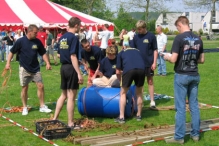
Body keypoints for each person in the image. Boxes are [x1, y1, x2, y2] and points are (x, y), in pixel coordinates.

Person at [164, 16, 205, 144]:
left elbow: (174, 59)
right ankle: (195, 135)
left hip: (182, 75)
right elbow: (202, 60)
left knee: (180, 107)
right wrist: (191, 59)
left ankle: (179, 137)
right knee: (194, 106)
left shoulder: (179, 38)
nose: (177, 30)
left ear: (181, 24)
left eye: (177, 27)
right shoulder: (198, 39)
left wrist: (166, 57)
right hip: (194, 74)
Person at [5, 24, 52, 116]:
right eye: (35, 32)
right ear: (29, 32)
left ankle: (42, 106)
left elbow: (43, 53)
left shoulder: (37, 42)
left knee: (40, 86)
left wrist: (47, 63)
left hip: (35, 68)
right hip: (24, 68)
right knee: (25, 88)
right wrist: (8, 63)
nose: (37, 34)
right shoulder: (20, 41)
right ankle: (25, 107)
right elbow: (12, 52)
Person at [53, 17, 83, 128]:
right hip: (71, 68)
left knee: (63, 94)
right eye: (79, 25)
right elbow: (73, 56)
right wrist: (79, 73)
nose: (80, 27)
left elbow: (59, 54)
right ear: (76, 25)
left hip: (63, 68)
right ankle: (70, 123)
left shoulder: (62, 37)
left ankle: (55, 118)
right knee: (71, 96)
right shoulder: (73, 38)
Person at [115, 44, 145, 124]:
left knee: (123, 93)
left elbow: (118, 71)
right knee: (139, 93)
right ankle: (139, 115)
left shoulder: (121, 52)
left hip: (129, 70)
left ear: (124, 47)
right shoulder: (138, 51)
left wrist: (120, 81)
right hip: (141, 69)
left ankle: (121, 117)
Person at [131, 20, 158, 108]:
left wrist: (154, 62)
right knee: (140, 83)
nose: (138, 31)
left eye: (140, 29)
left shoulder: (151, 36)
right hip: (139, 63)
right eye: (137, 29)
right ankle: (140, 101)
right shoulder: (136, 37)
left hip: (149, 63)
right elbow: (133, 50)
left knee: (150, 81)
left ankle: (152, 101)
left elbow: (155, 50)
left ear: (144, 27)